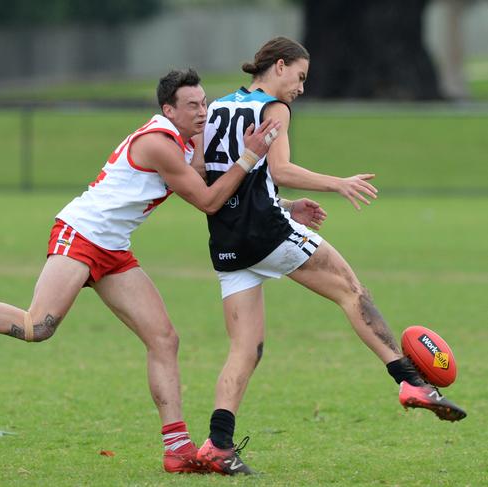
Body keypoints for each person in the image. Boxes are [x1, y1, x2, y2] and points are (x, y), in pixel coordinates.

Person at [0, 69, 283, 474]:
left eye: (204, 103)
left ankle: (177, 449)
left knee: (164, 339)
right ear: (168, 109)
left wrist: (282, 207)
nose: (203, 111)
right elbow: (208, 201)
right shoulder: (158, 143)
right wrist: (249, 155)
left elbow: (206, 176)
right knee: (36, 326)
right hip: (80, 234)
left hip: (112, 248)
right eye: (192, 106)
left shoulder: (182, 140)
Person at [196, 37, 467, 476]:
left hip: (227, 238)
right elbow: (279, 169)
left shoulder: (218, 108)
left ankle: (217, 444)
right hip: (267, 233)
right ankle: (410, 382)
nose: (301, 88)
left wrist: (285, 205)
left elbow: (233, 177)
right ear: (279, 66)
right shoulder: (273, 108)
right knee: (352, 291)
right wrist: (337, 183)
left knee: (245, 348)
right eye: (299, 77)